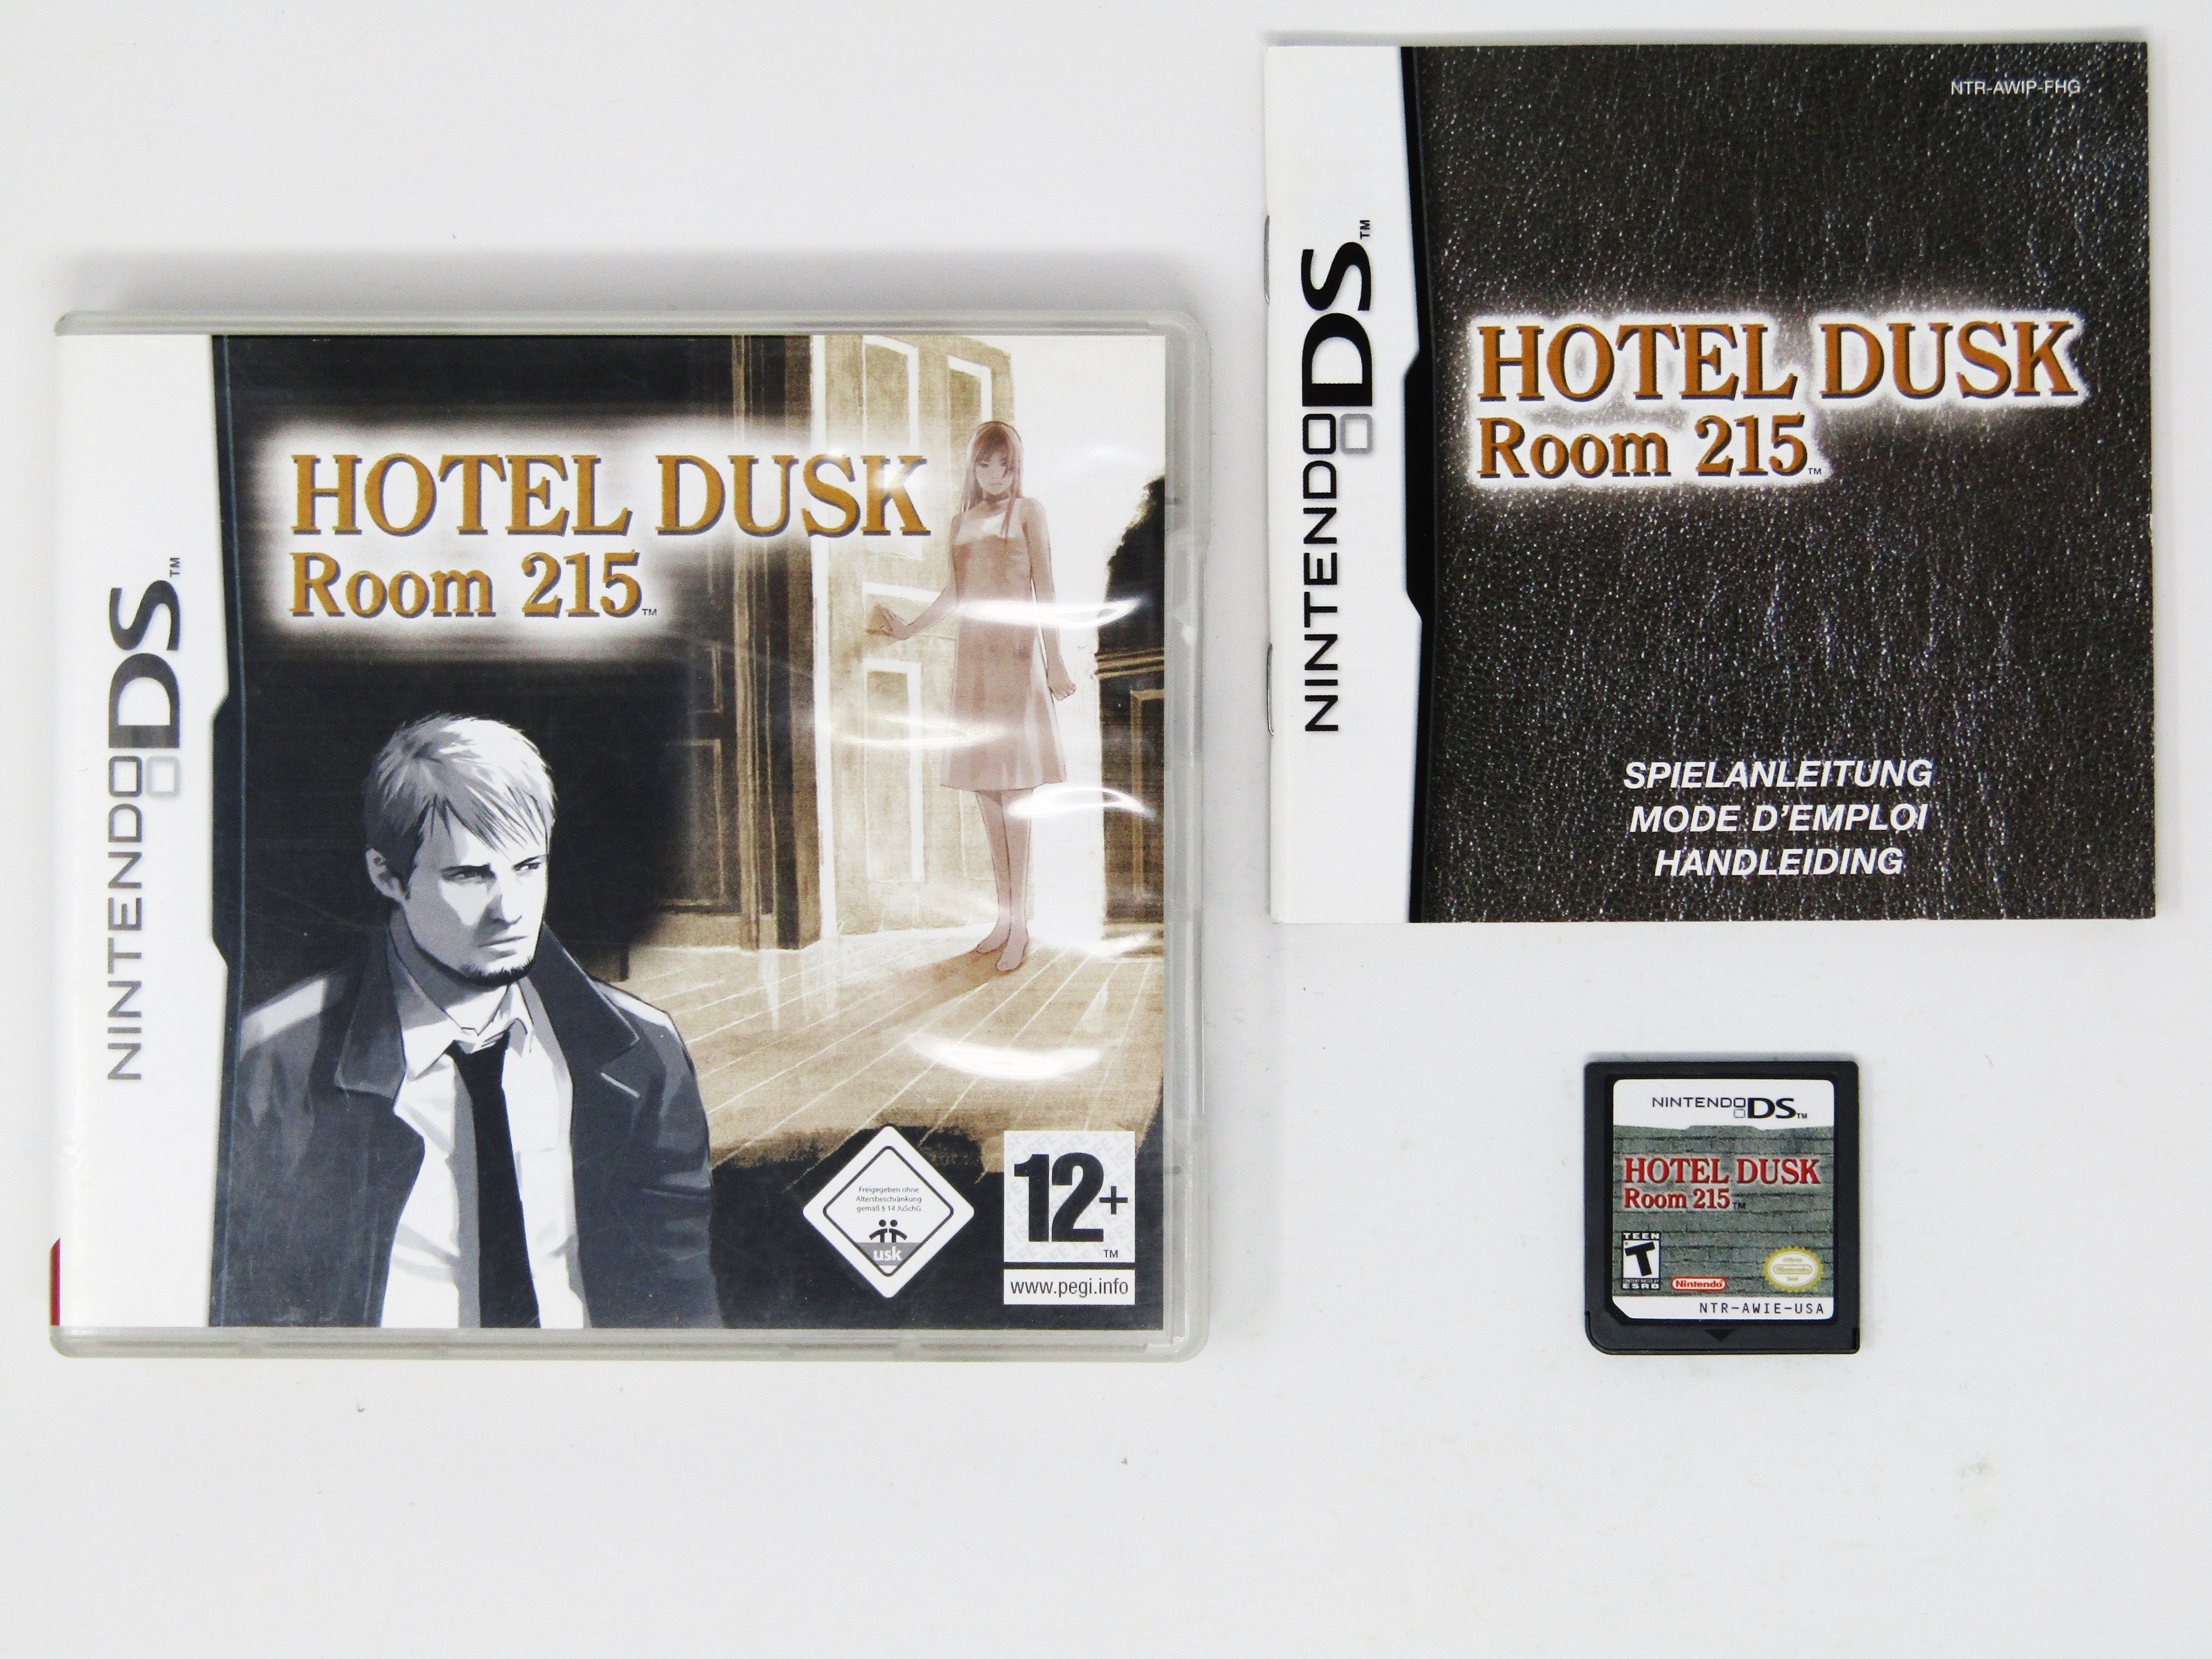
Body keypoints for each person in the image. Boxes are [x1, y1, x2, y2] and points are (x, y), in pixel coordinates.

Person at [212, 715, 721, 1329]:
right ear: (386, 876)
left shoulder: (640, 1053)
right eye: (469, 875)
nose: (510, 909)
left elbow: (681, 1304)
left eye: (528, 867)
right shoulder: (280, 1060)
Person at [869, 421, 1075, 972]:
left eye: (1004, 465)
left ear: (1016, 466)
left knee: (1017, 793)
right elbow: (955, 593)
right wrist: (908, 630)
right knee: (987, 790)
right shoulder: (960, 523)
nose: (994, 476)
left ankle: (1021, 925)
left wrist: (1055, 660)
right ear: (973, 467)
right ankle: (1004, 919)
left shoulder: (1028, 513)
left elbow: (1046, 589)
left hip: (1017, 659)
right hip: (975, 662)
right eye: (985, 465)